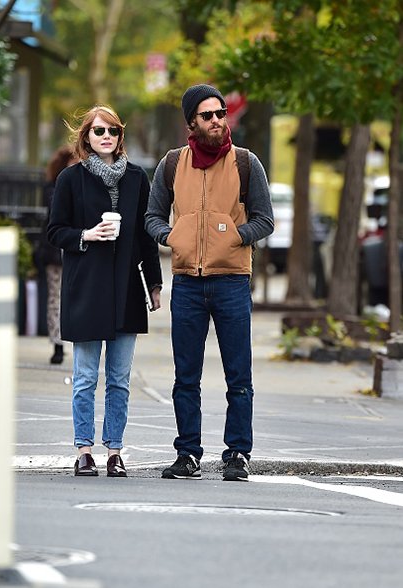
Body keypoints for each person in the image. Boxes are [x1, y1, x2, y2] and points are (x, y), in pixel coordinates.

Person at [145, 84, 274, 481]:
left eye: (220, 113)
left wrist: (233, 236)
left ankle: (237, 453)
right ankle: (188, 454)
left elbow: (265, 220)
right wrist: (171, 236)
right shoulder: (171, 164)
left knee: (239, 376)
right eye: (208, 115)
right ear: (192, 123)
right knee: (186, 377)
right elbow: (151, 217)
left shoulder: (246, 163)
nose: (218, 120)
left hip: (232, 282)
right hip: (186, 284)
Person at [48, 105, 162, 478]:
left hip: (127, 288)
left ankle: (114, 450)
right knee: (84, 378)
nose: (106, 137)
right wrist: (86, 235)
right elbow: (55, 231)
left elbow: (147, 235)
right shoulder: (70, 179)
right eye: (98, 131)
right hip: (86, 288)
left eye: (112, 130)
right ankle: (84, 450)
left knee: (119, 379)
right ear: (86, 137)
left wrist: (155, 284)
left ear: (120, 136)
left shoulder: (136, 178)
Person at [38, 145, 79, 364]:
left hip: (79, 250)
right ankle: (57, 344)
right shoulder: (52, 188)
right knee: (55, 297)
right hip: (56, 252)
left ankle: (75, 340)